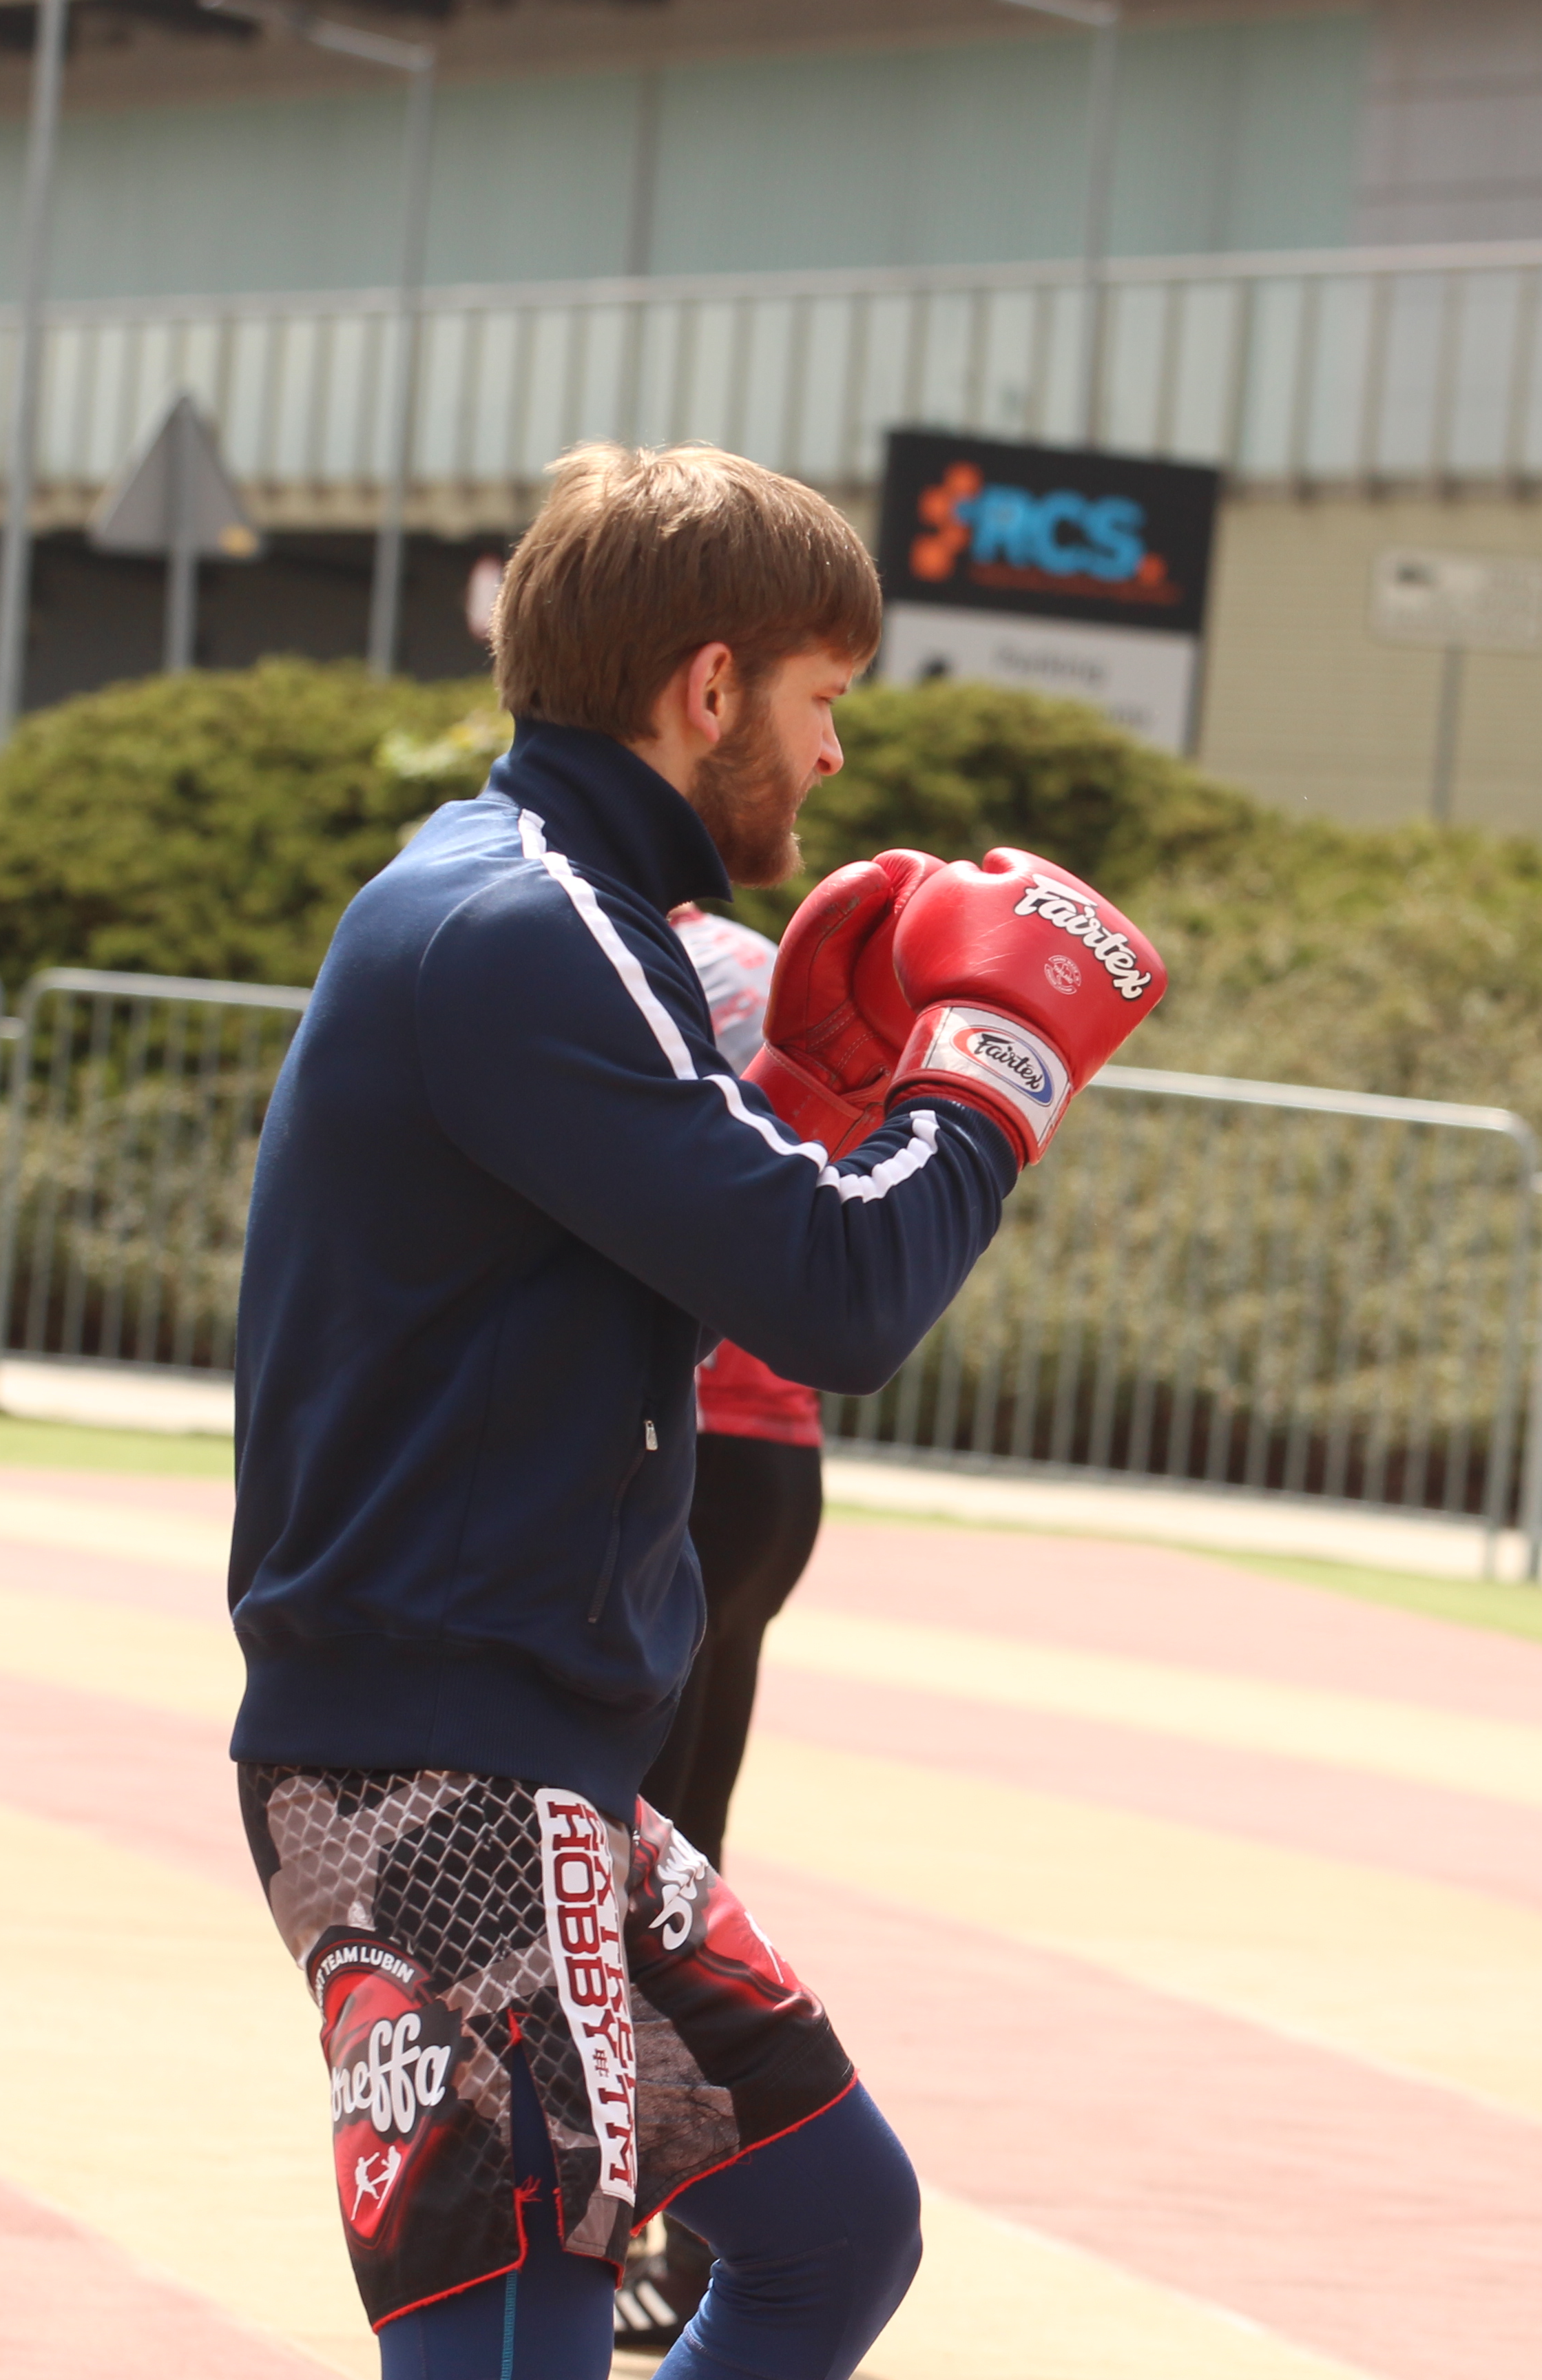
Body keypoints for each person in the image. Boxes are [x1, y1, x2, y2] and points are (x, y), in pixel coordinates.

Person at [226, 441, 1166, 2380]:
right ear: (713, 687)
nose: (835, 758)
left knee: (836, 2237)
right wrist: (989, 1073)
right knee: (521, 2338)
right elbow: (838, 1298)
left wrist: (828, 1108)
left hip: (521, 1749)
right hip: (447, 1772)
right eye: (825, 701)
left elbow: (736, 1237)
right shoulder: (529, 928)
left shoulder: (552, 914)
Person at [614, 906, 837, 2356]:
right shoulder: (761, 963)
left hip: (682, 1435)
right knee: (676, 1866)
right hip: (774, 1455)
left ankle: (643, 2235)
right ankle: (673, 2241)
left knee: (605, 1872)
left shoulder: (604, 947)